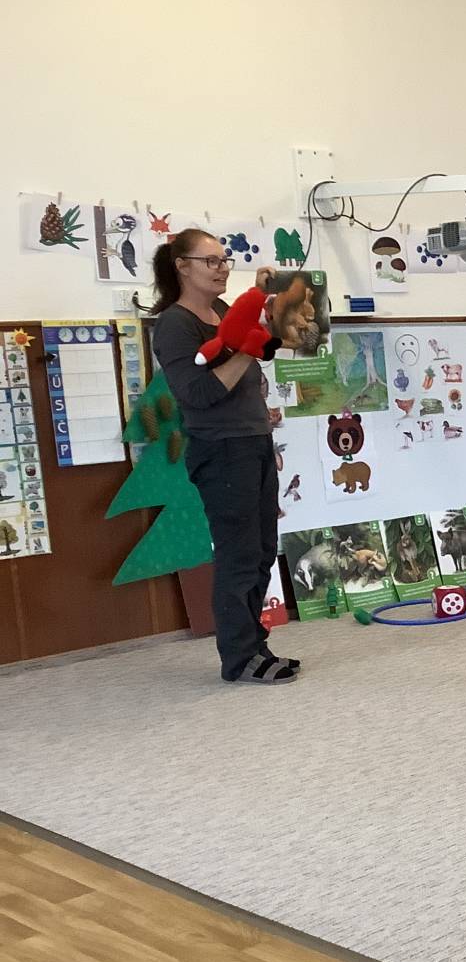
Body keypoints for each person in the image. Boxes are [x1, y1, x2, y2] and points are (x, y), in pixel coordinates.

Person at [150, 229, 296, 685]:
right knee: (239, 556)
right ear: (182, 266)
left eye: (224, 260)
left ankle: (255, 645)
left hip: (253, 442)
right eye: (210, 261)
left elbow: (256, 341)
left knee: (262, 551)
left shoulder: (222, 311)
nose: (221, 269)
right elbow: (198, 393)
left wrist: (268, 305)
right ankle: (239, 658)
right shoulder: (175, 324)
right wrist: (246, 351)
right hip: (221, 449)